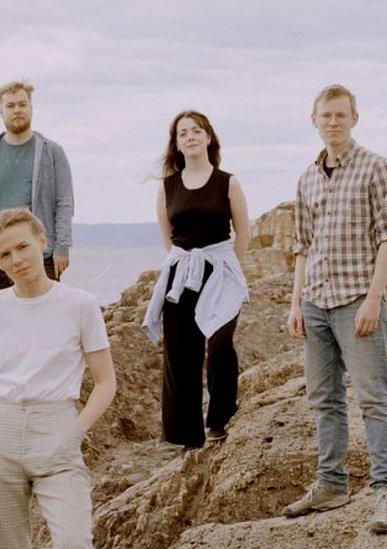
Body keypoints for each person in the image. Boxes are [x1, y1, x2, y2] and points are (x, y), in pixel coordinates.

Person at [283, 84, 387, 535]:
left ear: (355, 118)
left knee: (373, 399)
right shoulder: (307, 178)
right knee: (324, 400)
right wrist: (296, 303)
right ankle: (332, 483)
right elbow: (302, 246)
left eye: (340, 115)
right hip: (314, 301)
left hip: (357, 300)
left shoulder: (377, 168)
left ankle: (386, 490)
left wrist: (374, 299)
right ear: (313, 121)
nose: (332, 122)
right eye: (325, 116)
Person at [0, 208, 116, 548]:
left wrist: (75, 429)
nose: (16, 259)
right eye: (4, 254)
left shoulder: (80, 305)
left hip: (57, 428)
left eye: (23, 247)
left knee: (75, 541)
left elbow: (106, 382)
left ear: (42, 242)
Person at [141, 111, 251, 449]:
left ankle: (220, 419)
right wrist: (183, 266)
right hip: (181, 271)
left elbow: (243, 233)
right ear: (176, 143)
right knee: (181, 353)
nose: (189, 137)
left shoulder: (227, 182)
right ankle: (186, 435)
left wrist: (227, 269)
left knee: (219, 343)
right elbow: (167, 237)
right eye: (182, 133)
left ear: (208, 137)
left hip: (219, 270)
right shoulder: (167, 186)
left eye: (195, 131)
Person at [0, 80, 74, 290]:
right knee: (6, 318)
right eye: (11, 106)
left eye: (22, 105)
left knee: (44, 314)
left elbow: (64, 203)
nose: (17, 110)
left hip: (43, 253)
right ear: (1, 111)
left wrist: (62, 247)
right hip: (2, 256)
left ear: (31, 108)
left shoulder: (52, 153)